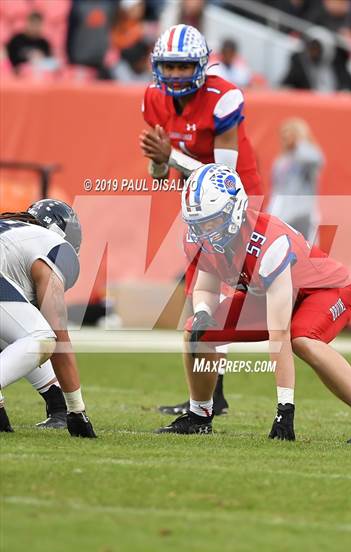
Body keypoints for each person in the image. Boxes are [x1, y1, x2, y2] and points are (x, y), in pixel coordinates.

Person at [156, 164, 351, 445]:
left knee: (302, 338)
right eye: (198, 224)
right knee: (197, 331)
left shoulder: (268, 242)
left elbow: (279, 334)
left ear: (235, 209)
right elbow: (205, 287)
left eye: (211, 221)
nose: (204, 231)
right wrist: (204, 313)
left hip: (324, 291)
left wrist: (285, 409)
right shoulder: (204, 240)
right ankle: (199, 415)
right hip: (271, 294)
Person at [140, 24, 264, 416]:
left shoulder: (223, 97)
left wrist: (170, 156)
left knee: (212, 297)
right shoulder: (152, 98)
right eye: (169, 66)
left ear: (201, 64)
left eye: (183, 65)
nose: (175, 74)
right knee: (202, 299)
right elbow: (158, 173)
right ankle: (212, 396)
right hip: (198, 206)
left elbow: (224, 176)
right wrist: (161, 160)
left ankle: (210, 399)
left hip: (238, 201)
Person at [0, 200, 96, 438]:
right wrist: (76, 409)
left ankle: (55, 401)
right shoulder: (55, 247)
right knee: (43, 337)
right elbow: (57, 337)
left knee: (19, 332)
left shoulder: (14, 234)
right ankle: (62, 405)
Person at [267, 118, 324, 242]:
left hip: (303, 215)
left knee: (307, 253)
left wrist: (301, 141)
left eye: (290, 133)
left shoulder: (305, 156)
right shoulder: (281, 160)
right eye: (283, 134)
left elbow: (316, 160)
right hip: (282, 215)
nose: (285, 138)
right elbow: (276, 189)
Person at [281, 26, 351, 93]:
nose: (313, 52)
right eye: (311, 48)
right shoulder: (300, 64)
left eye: (317, 49)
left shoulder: (338, 64)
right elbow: (285, 86)